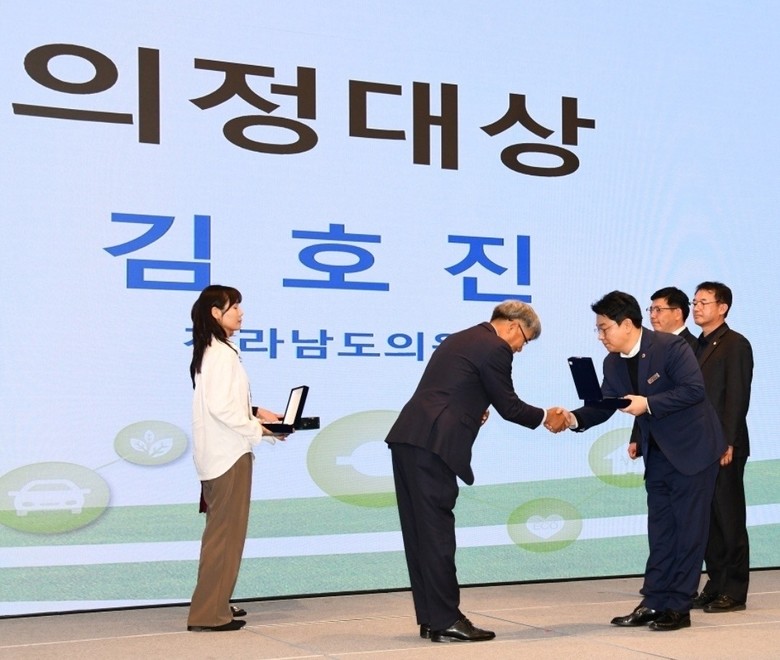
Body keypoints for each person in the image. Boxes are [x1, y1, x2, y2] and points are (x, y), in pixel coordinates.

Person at [385, 300, 568, 643]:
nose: (520, 348)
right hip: (434, 445)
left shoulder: (462, 337)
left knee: (420, 534)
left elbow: (456, 388)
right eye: (525, 340)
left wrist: (472, 408)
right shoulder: (496, 347)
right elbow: (509, 406)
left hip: (410, 438)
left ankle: (431, 617)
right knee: (437, 535)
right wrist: (547, 416)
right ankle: (446, 619)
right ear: (513, 326)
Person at [563, 291, 725, 631]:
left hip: (694, 450)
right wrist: (572, 419)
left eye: (604, 328)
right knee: (661, 530)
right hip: (658, 453)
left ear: (626, 324)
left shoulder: (670, 346)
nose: (600, 336)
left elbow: (693, 390)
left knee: (689, 531)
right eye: (598, 329)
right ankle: (653, 601)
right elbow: (604, 405)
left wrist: (647, 404)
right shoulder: (612, 362)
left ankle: (678, 606)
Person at [186, 285, 283, 632]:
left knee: (224, 535)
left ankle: (216, 602)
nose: (241, 313)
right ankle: (209, 614)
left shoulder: (214, 350)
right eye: (234, 307)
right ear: (216, 313)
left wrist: (257, 412)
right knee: (225, 537)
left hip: (222, 454)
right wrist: (260, 428)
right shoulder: (220, 354)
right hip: (228, 456)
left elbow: (225, 403)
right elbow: (222, 408)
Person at [691, 282, 753, 613]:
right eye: (694, 302)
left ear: (722, 307)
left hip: (725, 445)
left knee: (729, 518)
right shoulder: (695, 345)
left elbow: (737, 396)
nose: (697, 307)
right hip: (699, 446)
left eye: (704, 302)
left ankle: (735, 589)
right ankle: (715, 584)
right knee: (708, 520)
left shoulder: (735, 344)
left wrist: (727, 440)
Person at [628, 286, 697, 459]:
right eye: (651, 310)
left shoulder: (694, 347)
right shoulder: (649, 350)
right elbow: (644, 395)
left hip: (686, 441)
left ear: (677, 313)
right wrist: (636, 437)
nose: (652, 316)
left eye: (658, 310)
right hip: (652, 443)